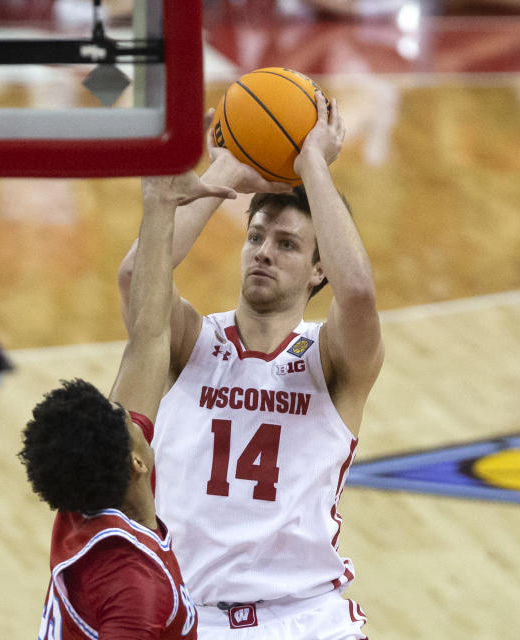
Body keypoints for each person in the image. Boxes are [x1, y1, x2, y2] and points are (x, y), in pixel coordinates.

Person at [117, 91, 383, 638]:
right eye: (256, 236)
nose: (263, 251)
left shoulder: (331, 358)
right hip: (193, 617)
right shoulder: (190, 340)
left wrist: (311, 164)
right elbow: (135, 276)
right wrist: (229, 166)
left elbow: (357, 291)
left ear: (317, 271)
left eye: (288, 245)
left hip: (306, 618)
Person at [19, 171, 237, 639]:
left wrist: (161, 202)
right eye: (125, 419)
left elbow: (149, 337)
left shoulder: (86, 504)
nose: (131, 410)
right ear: (136, 461)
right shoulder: (132, 586)